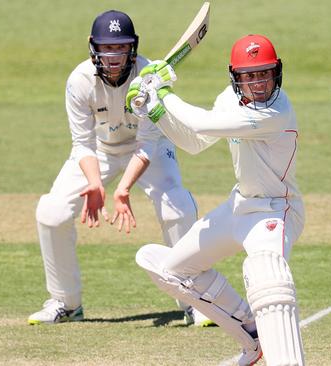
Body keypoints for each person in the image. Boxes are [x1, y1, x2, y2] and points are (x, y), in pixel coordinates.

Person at [127, 34, 306, 366]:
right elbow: (194, 141)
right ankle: (251, 335)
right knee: (172, 271)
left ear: (276, 73)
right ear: (236, 77)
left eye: (264, 73)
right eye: (249, 76)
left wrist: (161, 92)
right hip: (239, 207)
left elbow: (200, 121)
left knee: (267, 275)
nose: (258, 83)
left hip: (275, 213)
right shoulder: (231, 99)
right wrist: (154, 109)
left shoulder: (276, 113)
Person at [29, 9, 213, 327]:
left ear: (133, 47)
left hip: (149, 149)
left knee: (177, 208)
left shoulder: (149, 77)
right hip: (99, 151)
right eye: (107, 47)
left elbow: (147, 145)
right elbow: (82, 144)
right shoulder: (79, 81)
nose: (114, 56)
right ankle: (66, 302)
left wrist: (123, 189)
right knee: (51, 212)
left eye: (121, 47)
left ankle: (194, 301)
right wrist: (95, 184)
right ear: (93, 46)